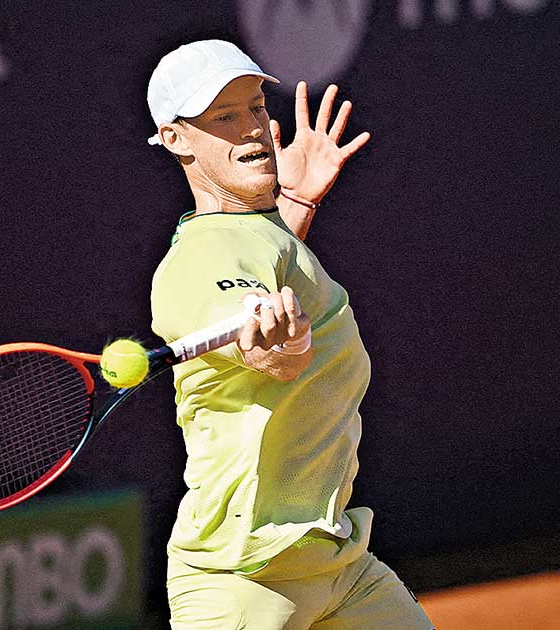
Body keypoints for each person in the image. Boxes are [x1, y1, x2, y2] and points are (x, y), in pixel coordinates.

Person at [147, 40, 435, 629]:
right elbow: (254, 332)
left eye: (255, 107)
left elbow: (266, 264)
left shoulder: (258, 232)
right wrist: (278, 342)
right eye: (224, 117)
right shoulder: (197, 259)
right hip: (243, 579)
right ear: (175, 139)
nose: (253, 128)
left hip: (338, 562)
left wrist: (294, 204)